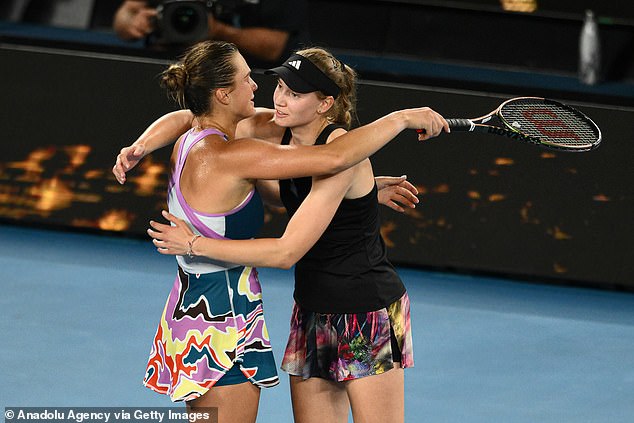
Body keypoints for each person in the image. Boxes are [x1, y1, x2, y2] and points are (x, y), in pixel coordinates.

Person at [114, 41, 448, 423]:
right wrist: (401, 119)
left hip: (363, 309)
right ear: (223, 94)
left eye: (294, 92)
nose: (272, 95)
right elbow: (190, 116)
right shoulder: (260, 139)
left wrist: (363, 188)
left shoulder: (321, 148)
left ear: (324, 104)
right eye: (275, 87)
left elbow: (333, 165)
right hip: (294, 311)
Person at [113, 0, 309, 68]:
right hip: (165, 66)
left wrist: (219, 31)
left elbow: (274, 47)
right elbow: (125, 16)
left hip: (242, 78)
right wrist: (132, 22)